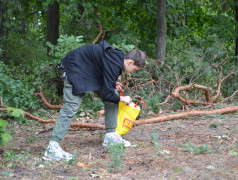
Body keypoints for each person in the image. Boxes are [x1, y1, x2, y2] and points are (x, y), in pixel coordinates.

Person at [43, 40, 146, 161]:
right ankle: (52, 148)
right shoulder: (115, 62)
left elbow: (103, 69)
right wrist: (123, 99)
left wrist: (111, 82)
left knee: (112, 93)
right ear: (130, 62)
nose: (133, 73)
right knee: (71, 106)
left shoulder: (116, 58)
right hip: (74, 68)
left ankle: (110, 136)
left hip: (86, 71)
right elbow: (107, 94)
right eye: (134, 69)